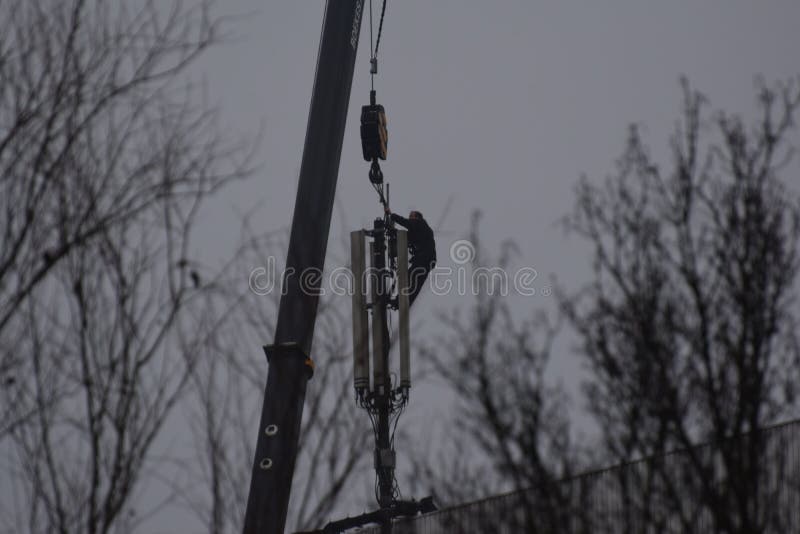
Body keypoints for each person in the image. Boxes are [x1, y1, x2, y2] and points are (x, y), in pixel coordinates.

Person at [385, 207, 436, 306]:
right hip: (427, 260)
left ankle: (401, 301)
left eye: (411, 216)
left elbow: (407, 223)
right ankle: (403, 302)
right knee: (415, 283)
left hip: (424, 258)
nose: (410, 218)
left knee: (409, 277)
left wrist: (392, 215)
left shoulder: (420, 223)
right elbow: (405, 236)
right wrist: (393, 231)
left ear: (417, 217)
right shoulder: (418, 231)